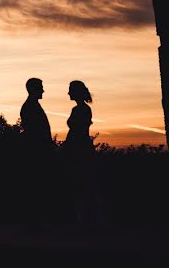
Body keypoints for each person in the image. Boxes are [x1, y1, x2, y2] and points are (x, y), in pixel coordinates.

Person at [63, 80, 104, 226]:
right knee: (84, 185)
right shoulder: (82, 109)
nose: (68, 93)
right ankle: (88, 219)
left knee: (83, 185)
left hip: (79, 150)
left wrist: (67, 148)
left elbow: (77, 132)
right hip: (81, 148)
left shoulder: (80, 110)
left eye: (70, 90)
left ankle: (87, 220)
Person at [19, 77, 55, 228]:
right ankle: (33, 222)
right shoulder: (30, 107)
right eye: (40, 87)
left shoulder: (32, 106)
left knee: (37, 186)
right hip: (35, 152)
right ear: (33, 89)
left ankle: (35, 221)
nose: (43, 90)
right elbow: (35, 132)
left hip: (37, 151)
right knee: (35, 186)